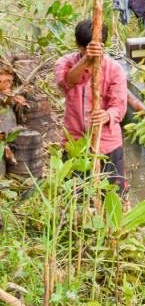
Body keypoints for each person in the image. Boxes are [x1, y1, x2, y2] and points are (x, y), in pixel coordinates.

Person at [54, 20, 128, 194]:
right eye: (83, 49)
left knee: (112, 194)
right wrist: (87, 59)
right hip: (75, 143)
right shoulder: (65, 62)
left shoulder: (114, 69)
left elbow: (119, 106)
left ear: (103, 45)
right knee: (75, 196)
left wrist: (107, 115)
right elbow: (66, 81)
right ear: (77, 45)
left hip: (108, 145)